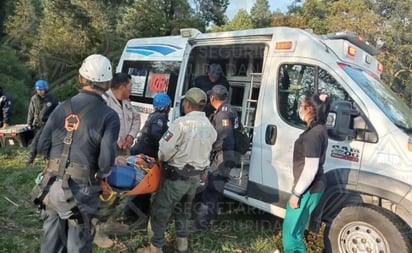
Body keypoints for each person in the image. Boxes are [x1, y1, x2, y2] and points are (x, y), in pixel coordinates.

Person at [37, 54, 120, 253]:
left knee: (51, 243)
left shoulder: (60, 108)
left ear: (81, 78)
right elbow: (106, 162)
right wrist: (103, 176)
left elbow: (42, 145)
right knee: (78, 244)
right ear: (108, 83)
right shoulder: (109, 115)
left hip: (50, 185)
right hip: (80, 190)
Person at [136, 88, 217, 253]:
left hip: (176, 177)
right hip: (194, 178)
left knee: (160, 210)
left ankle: (155, 247)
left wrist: (161, 159)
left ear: (187, 104)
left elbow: (164, 149)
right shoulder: (210, 127)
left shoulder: (180, 124)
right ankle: (182, 243)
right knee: (184, 210)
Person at [282, 93, 330, 253]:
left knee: (291, 234)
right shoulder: (320, 129)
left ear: (309, 109)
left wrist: (297, 193)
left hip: (308, 188)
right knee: (297, 230)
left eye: (301, 106)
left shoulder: (312, 135)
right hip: (312, 186)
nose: (299, 109)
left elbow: (310, 168)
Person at [193, 84, 238, 232]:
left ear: (212, 98)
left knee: (210, 190)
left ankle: (201, 225)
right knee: (216, 188)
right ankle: (212, 219)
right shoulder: (229, 110)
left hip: (222, 156)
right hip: (226, 155)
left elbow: (224, 138)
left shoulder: (223, 115)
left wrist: (208, 148)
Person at [124, 93, 172, 223]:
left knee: (144, 187)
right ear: (167, 106)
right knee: (139, 187)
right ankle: (130, 216)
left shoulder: (155, 116)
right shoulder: (159, 119)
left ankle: (141, 213)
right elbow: (157, 136)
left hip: (143, 153)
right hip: (144, 155)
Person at [105, 72, 141, 155]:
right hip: (109, 149)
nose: (131, 89)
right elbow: (101, 126)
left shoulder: (126, 101)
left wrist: (131, 136)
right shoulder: (105, 100)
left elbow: (136, 118)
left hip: (124, 150)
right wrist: (118, 140)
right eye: (130, 86)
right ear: (122, 87)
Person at [26, 80, 59, 165]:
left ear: (45, 89)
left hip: (49, 124)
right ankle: (40, 159)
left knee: (37, 142)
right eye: (38, 90)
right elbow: (31, 111)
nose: (40, 91)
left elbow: (59, 110)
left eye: (41, 89)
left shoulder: (52, 98)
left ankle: (32, 160)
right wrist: (29, 123)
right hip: (38, 124)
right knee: (38, 142)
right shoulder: (34, 99)